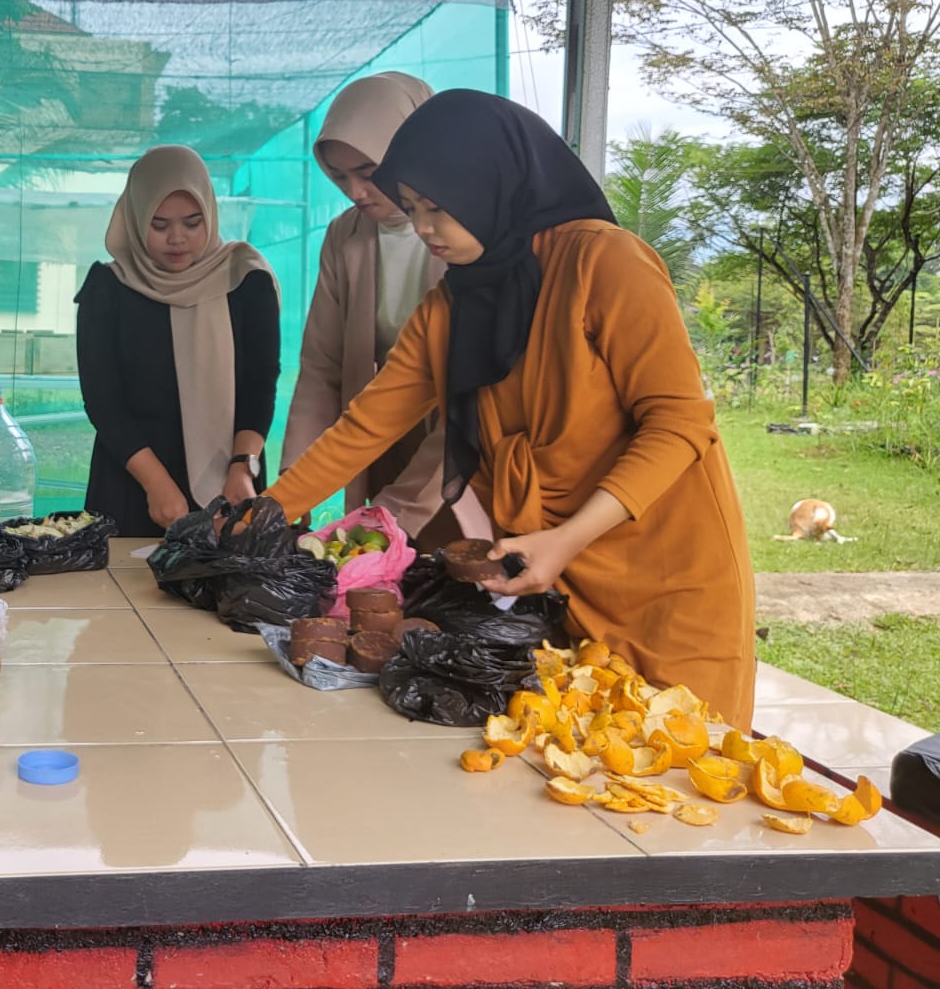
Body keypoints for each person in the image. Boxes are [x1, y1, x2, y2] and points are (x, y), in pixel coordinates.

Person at [263, 91, 757, 727]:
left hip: (664, 570)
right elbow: (367, 424)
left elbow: (678, 422)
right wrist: (266, 512)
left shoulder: (604, 262)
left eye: (437, 207)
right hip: (549, 575)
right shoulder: (452, 305)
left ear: (490, 185)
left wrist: (567, 539)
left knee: (679, 753)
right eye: (411, 209)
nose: (423, 229)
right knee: (572, 753)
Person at [282, 72, 491, 548]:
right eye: (339, 176)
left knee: (458, 564)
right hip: (385, 434)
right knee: (378, 570)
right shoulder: (346, 236)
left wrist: (398, 508)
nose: (356, 191)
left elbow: (476, 397)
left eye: (369, 171)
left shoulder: (476, 235)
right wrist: (294, 484)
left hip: (470, 446)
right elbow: (322, 367)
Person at [76, 145, 281, 536]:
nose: (177, 238)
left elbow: (260, 384)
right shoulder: (108, 287)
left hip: (232, 481)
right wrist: (155, 483)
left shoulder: (246, 279)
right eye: (159, 225)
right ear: (136, 218)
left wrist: (244, 467)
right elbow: (103, 400)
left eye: (192, 222)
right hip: (132, 481)